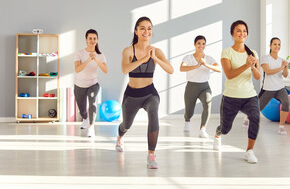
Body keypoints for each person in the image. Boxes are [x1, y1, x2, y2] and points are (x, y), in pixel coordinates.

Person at [116, 16, 174, 169]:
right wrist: (143, 60)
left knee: (154, 112)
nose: (146, 31)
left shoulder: (157, 51)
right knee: (126, 124)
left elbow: (171, 70)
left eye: (149, 28)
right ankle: (120, 136)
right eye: (142, 28)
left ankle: (151, 155)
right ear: (136, 31)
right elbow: (124, 69)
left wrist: (155, 58)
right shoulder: (128, 51)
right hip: (132, 95)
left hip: (150, 93)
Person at [213, 20, 261, 164]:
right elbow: (229, 74)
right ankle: (217, 134)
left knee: (255, 117)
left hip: (249, 95)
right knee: (225, 128)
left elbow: (258, 76)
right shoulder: (226, 52)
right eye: (238, 30)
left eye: (244, 30)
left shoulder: (252, 53)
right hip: (231, 97)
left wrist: (252, 66)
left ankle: (249, 151)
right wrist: (246, 64)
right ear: (233, 34)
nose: (242, 33)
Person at [180, 35, 221, 138]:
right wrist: (196, 66)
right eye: (198, 43)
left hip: (204, 87)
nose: (201, 46)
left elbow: (218, 69)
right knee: (189, 110)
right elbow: (182, 68)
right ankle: (187, 119)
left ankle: (203, 129)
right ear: (194, 44)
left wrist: (206, 64)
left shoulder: (209, 58)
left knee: (208, 103)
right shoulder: (188, 57)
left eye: (203, 44)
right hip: (191, 86)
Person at [74, 29, 108, 137]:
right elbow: (78, 69)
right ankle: (85, 118)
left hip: (93, 84)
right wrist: (89, 59)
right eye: (90, 38)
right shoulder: (80, 53)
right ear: (86, 40)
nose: (92, 41)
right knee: (82, 109)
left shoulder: (101, 55)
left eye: (94, 38)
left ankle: (91, 127)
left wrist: (96, 59)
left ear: (97, 40)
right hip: (79, 84)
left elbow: (105, 70)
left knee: (92, 102)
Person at [259, 37, 289, 135]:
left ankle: (281, 127)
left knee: (286, 102)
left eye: (279, 44)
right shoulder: (265, 58)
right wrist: (281, 67)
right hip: (268, 88)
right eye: (275, 44)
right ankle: (247, 118)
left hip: (280, 87)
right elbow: (268, 72)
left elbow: (285, 75)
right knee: (258, 107)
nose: (277, 46)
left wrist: (286, 67)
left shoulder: (282, 60)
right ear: (270, 46)